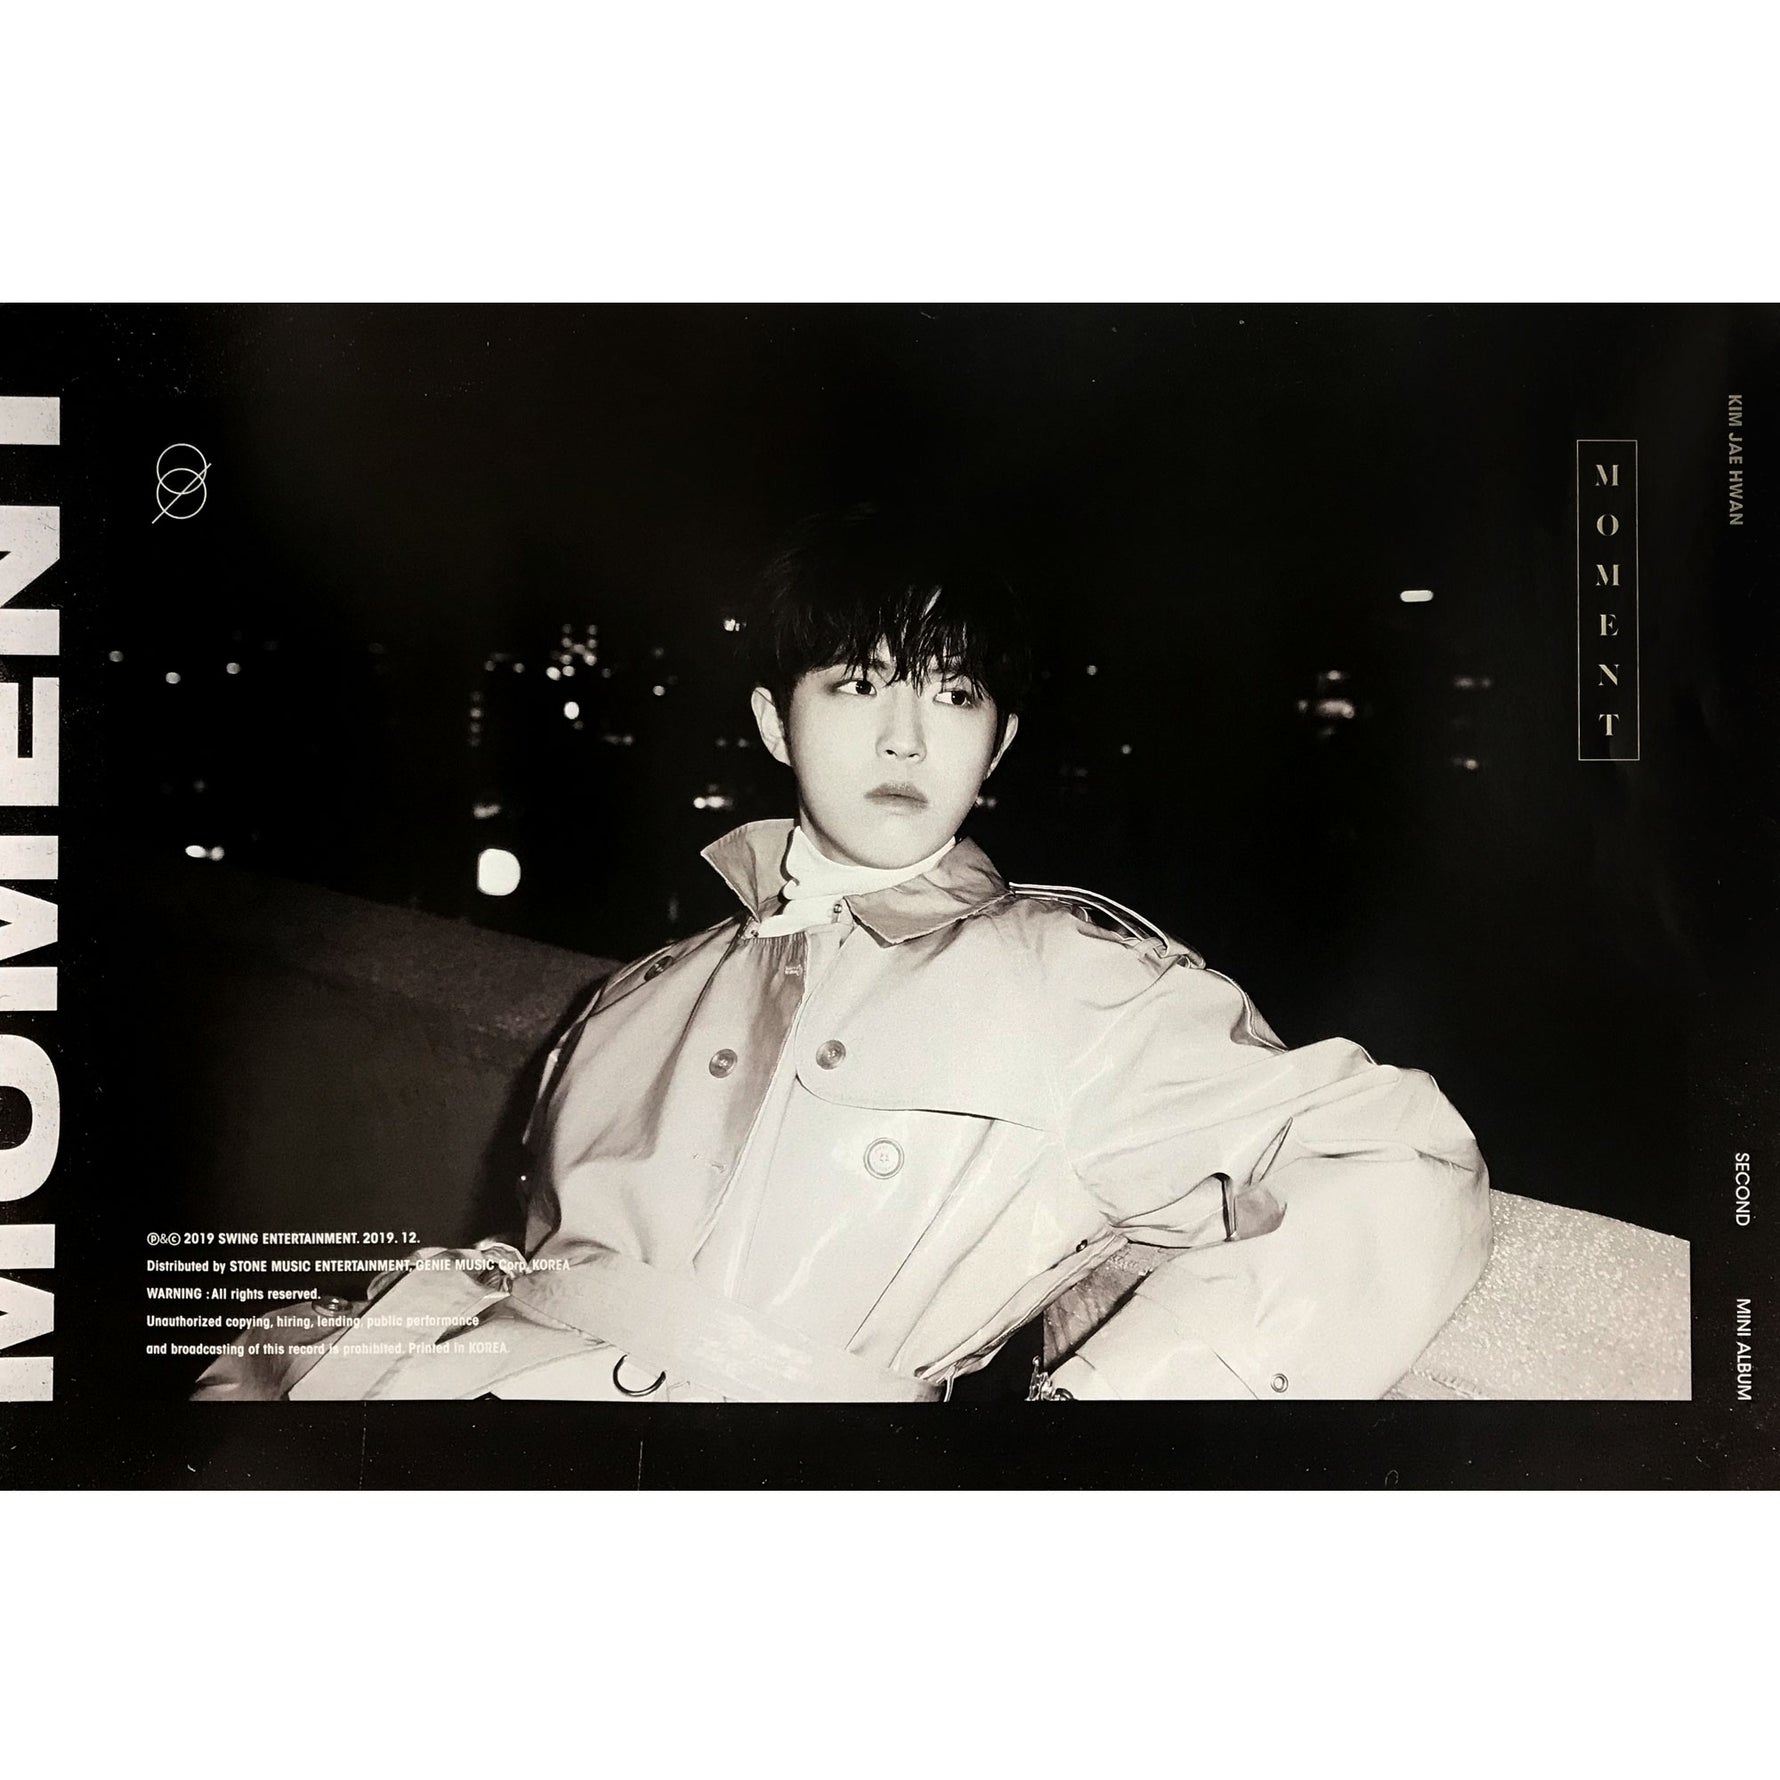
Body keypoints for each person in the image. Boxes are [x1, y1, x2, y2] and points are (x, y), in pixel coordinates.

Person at [194, 506, 1492, 1402]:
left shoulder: (1072, 977)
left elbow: (1400, 1159)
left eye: (954, 694)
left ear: (1000, 743)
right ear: (775, 721)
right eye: (858, 684)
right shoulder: (646, 990)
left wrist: (1107, 1420)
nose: (906, 739)